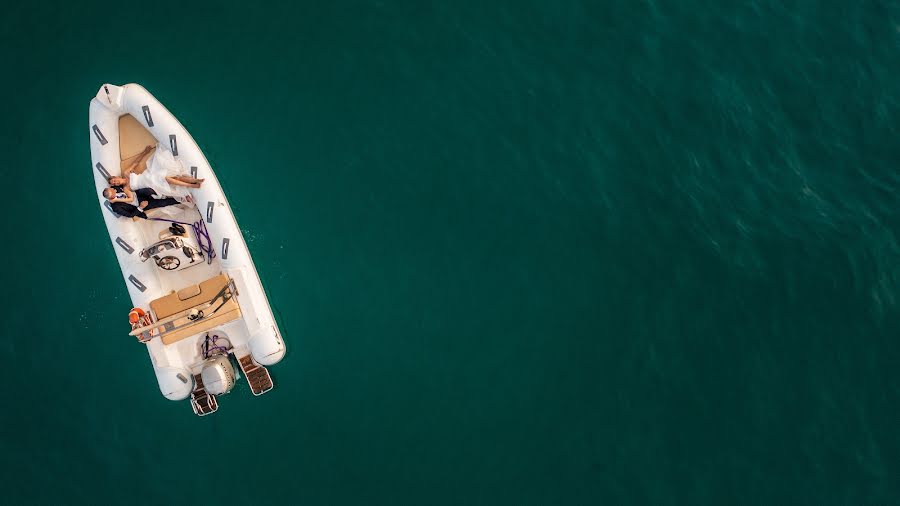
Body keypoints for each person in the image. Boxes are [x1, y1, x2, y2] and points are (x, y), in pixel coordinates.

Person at [114, 145, 205, 199]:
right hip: (150, 185)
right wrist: (115, 199)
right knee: (166, 178)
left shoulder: (126, 173)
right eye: (114, 183)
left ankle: (195, 181)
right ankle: (192, 184)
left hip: (149, 174)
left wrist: (145, 152)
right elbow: (131, 198)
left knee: (175, 177)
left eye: (114, 180)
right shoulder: (126, 188)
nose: (116, 182)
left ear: (116, 177)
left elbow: (136, 163)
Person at [102, 186, 180, 220]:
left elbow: (125, 187)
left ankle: (176, 192)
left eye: (113, 189)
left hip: (137, 194)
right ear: (111, 197)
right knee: (161, 203)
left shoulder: (115, 188)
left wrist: (127, 188)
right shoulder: (116, 208)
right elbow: (130, 215)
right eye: (113, 192)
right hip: (138, 204)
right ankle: (180, 199)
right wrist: (141, 207)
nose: (114, 190)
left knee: (149, 190)